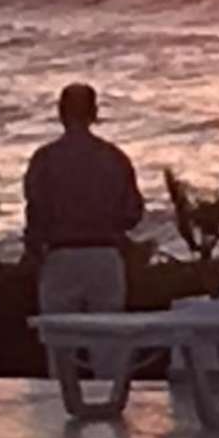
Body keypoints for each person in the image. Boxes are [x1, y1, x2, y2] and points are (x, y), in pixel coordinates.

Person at [23, 83, 145, 329]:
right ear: (94, 113)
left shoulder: (45, 159)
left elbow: (35, 214)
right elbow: (132, 213)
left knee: (60, 340)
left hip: (61, 256)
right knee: (108, 341)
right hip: (105, 256)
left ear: (60, 113)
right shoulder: (114, 157)